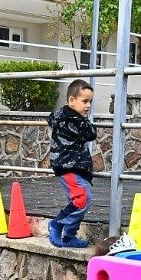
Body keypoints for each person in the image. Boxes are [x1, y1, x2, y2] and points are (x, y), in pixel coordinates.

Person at [47, 80, 97, 249]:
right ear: (71, 100)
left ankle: (69, 235)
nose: (88, 106)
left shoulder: (61, 116)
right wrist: (85, 121)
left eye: (90, 101)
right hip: (69, 167)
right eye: (85, 101)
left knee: (78, 200)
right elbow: (91, 133)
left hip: (72, 166)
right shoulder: (74, 120)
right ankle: (56, 224)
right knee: (82, 199)